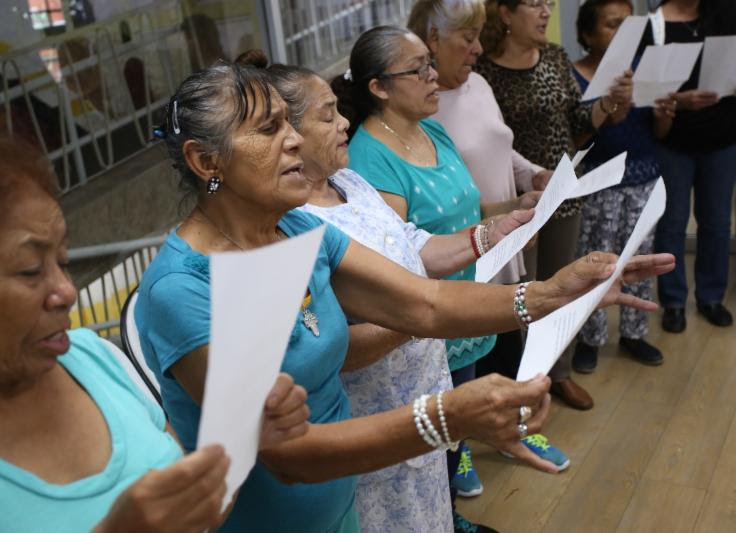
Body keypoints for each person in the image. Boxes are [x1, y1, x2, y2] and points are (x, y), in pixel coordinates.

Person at [135, 61, 673, 532]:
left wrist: (553, 292)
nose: (294, 139)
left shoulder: (295, 228)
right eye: (269, 129)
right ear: (207, 162)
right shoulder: (183, 289)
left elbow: (425, 304)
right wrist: (449, 417)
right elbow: (288, 455)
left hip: (344, 507)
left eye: (289, 122)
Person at [0, 129, 310, 532]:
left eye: (63, 262)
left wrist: (243, 441)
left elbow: (193, 519)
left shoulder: (94, 358)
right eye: (29, 271)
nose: (66, 292)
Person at [242, 50, 534, 532]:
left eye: (339, 108)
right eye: (327, 115)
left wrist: (487, 234)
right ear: (287, 134)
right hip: (371, 412)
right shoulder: (291, 225)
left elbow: (409, 243)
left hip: (419, 385)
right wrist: (419, 313)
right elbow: (328, 344)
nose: (343, 123)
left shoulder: (349, 180)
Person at [331, 25, 569, 518]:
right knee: (441, 432)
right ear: (378, 87)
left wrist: (515, 208)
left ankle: (461, 480)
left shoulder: (432, 128)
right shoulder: (368, 160)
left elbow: (469, 208)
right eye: (417, 69)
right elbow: (399, 259)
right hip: (429, 317)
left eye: (429, 63)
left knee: (472, 404)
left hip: (473, 289)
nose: (433, 76)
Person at [475, 0, 633, 410]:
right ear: (506, 14)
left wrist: (607, 105)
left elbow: (579, 125)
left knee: (562, 288)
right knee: (520, 297)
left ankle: (556, 375)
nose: (546, 12)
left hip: (562, 195)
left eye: (549, 4)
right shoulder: (482, 72)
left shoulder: (555, 57)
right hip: (517, 203)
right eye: (535, 4)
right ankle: (520, 385)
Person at [408, 0, 550, 390]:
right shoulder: (424, 109)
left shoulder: (479, 84)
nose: (479, 49)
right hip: (467, 247)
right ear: (433, 39)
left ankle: (513, 423)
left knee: (508, 340)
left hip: (506, 230)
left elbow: (501, 145)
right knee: (475, 359)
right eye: (469, 38)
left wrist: (534, 174)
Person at [571, 0, 677, 372]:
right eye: (611, 25)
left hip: (644, 178)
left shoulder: (642, 71)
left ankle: (634, 333)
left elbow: (657, 131)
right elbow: (577, 137)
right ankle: (590, 338)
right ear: (586, 34)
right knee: (596, 262)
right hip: (599, 182)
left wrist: (664, 117)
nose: (620, 34)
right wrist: (610, 111)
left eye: (627, 26)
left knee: (640, 261)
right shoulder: (574, 75)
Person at [643, 0, 736, 333]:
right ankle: (673, 301)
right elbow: (645, 90)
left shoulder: (726, 13)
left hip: (723, 138)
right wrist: (682, 101)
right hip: (672, 141)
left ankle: (711, 297)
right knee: (672, 224)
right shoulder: (654, 25)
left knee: (717, 223)